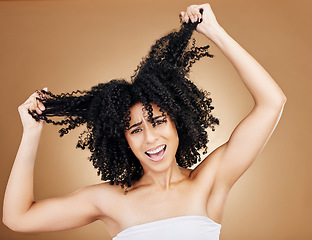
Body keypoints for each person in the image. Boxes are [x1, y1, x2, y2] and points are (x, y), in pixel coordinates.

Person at [3, 3, 286, 240]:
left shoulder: (209, 182)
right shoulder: (111, 200)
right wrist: (31, 131)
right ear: (123, 139)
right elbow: (18, 218)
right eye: (135, 129)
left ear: (178, 123)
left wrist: (215, 32)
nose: (150, 139)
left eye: (158, 121)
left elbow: (272, 102)